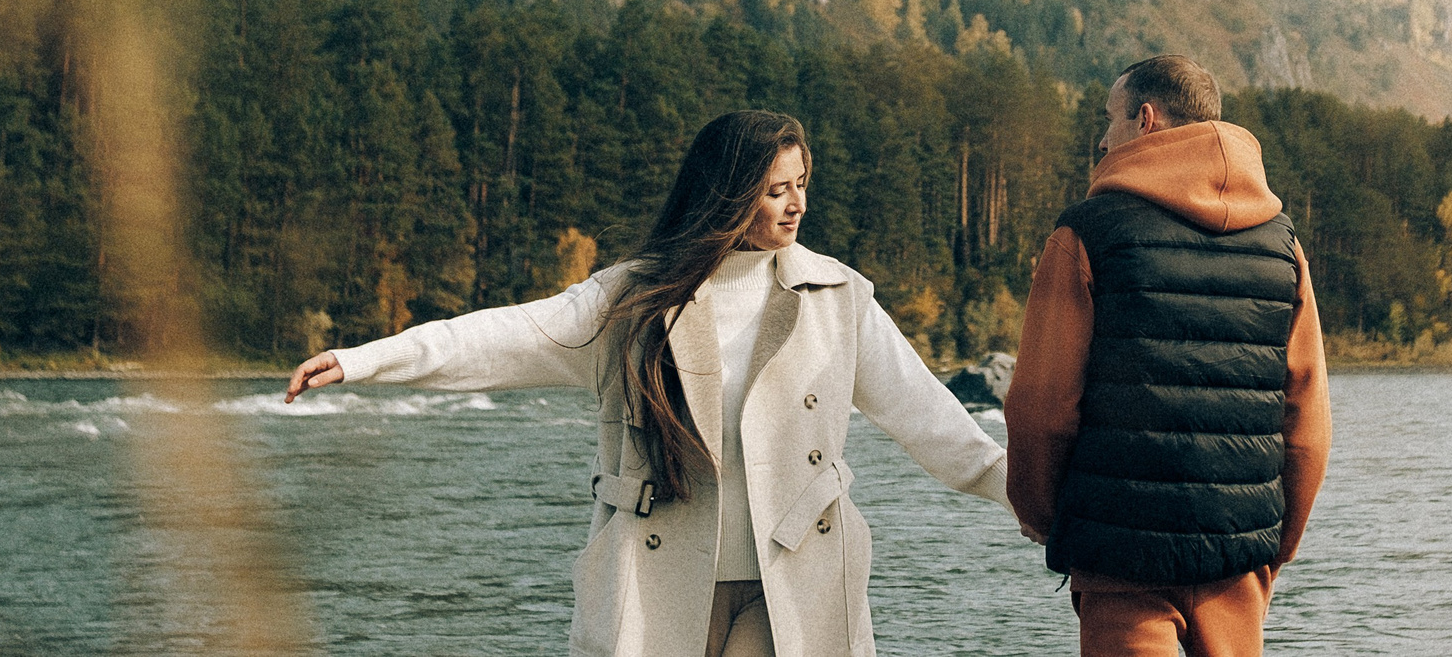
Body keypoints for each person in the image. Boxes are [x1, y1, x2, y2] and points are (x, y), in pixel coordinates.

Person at [286, 108, 1009, 657]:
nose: (798, 206)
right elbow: (505, 336)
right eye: (775, 190)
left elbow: (934, 423)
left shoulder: (838, 296)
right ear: (728, 194)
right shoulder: (631, 300)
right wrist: (366, 359)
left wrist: (1043, 494)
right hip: (660, 579)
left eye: (801, 186)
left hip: (795, 580)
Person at [1003, 55, 1331, 657]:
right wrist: (1277, 544)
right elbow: (1306, 417)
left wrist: (1048, 518)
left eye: (1111, 120)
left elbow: (1041, 405)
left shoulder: (1086, 232)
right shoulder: (1282, 243)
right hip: (1238, 554)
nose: (1103, 139)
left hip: (1120, 554)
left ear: (1145, 120)